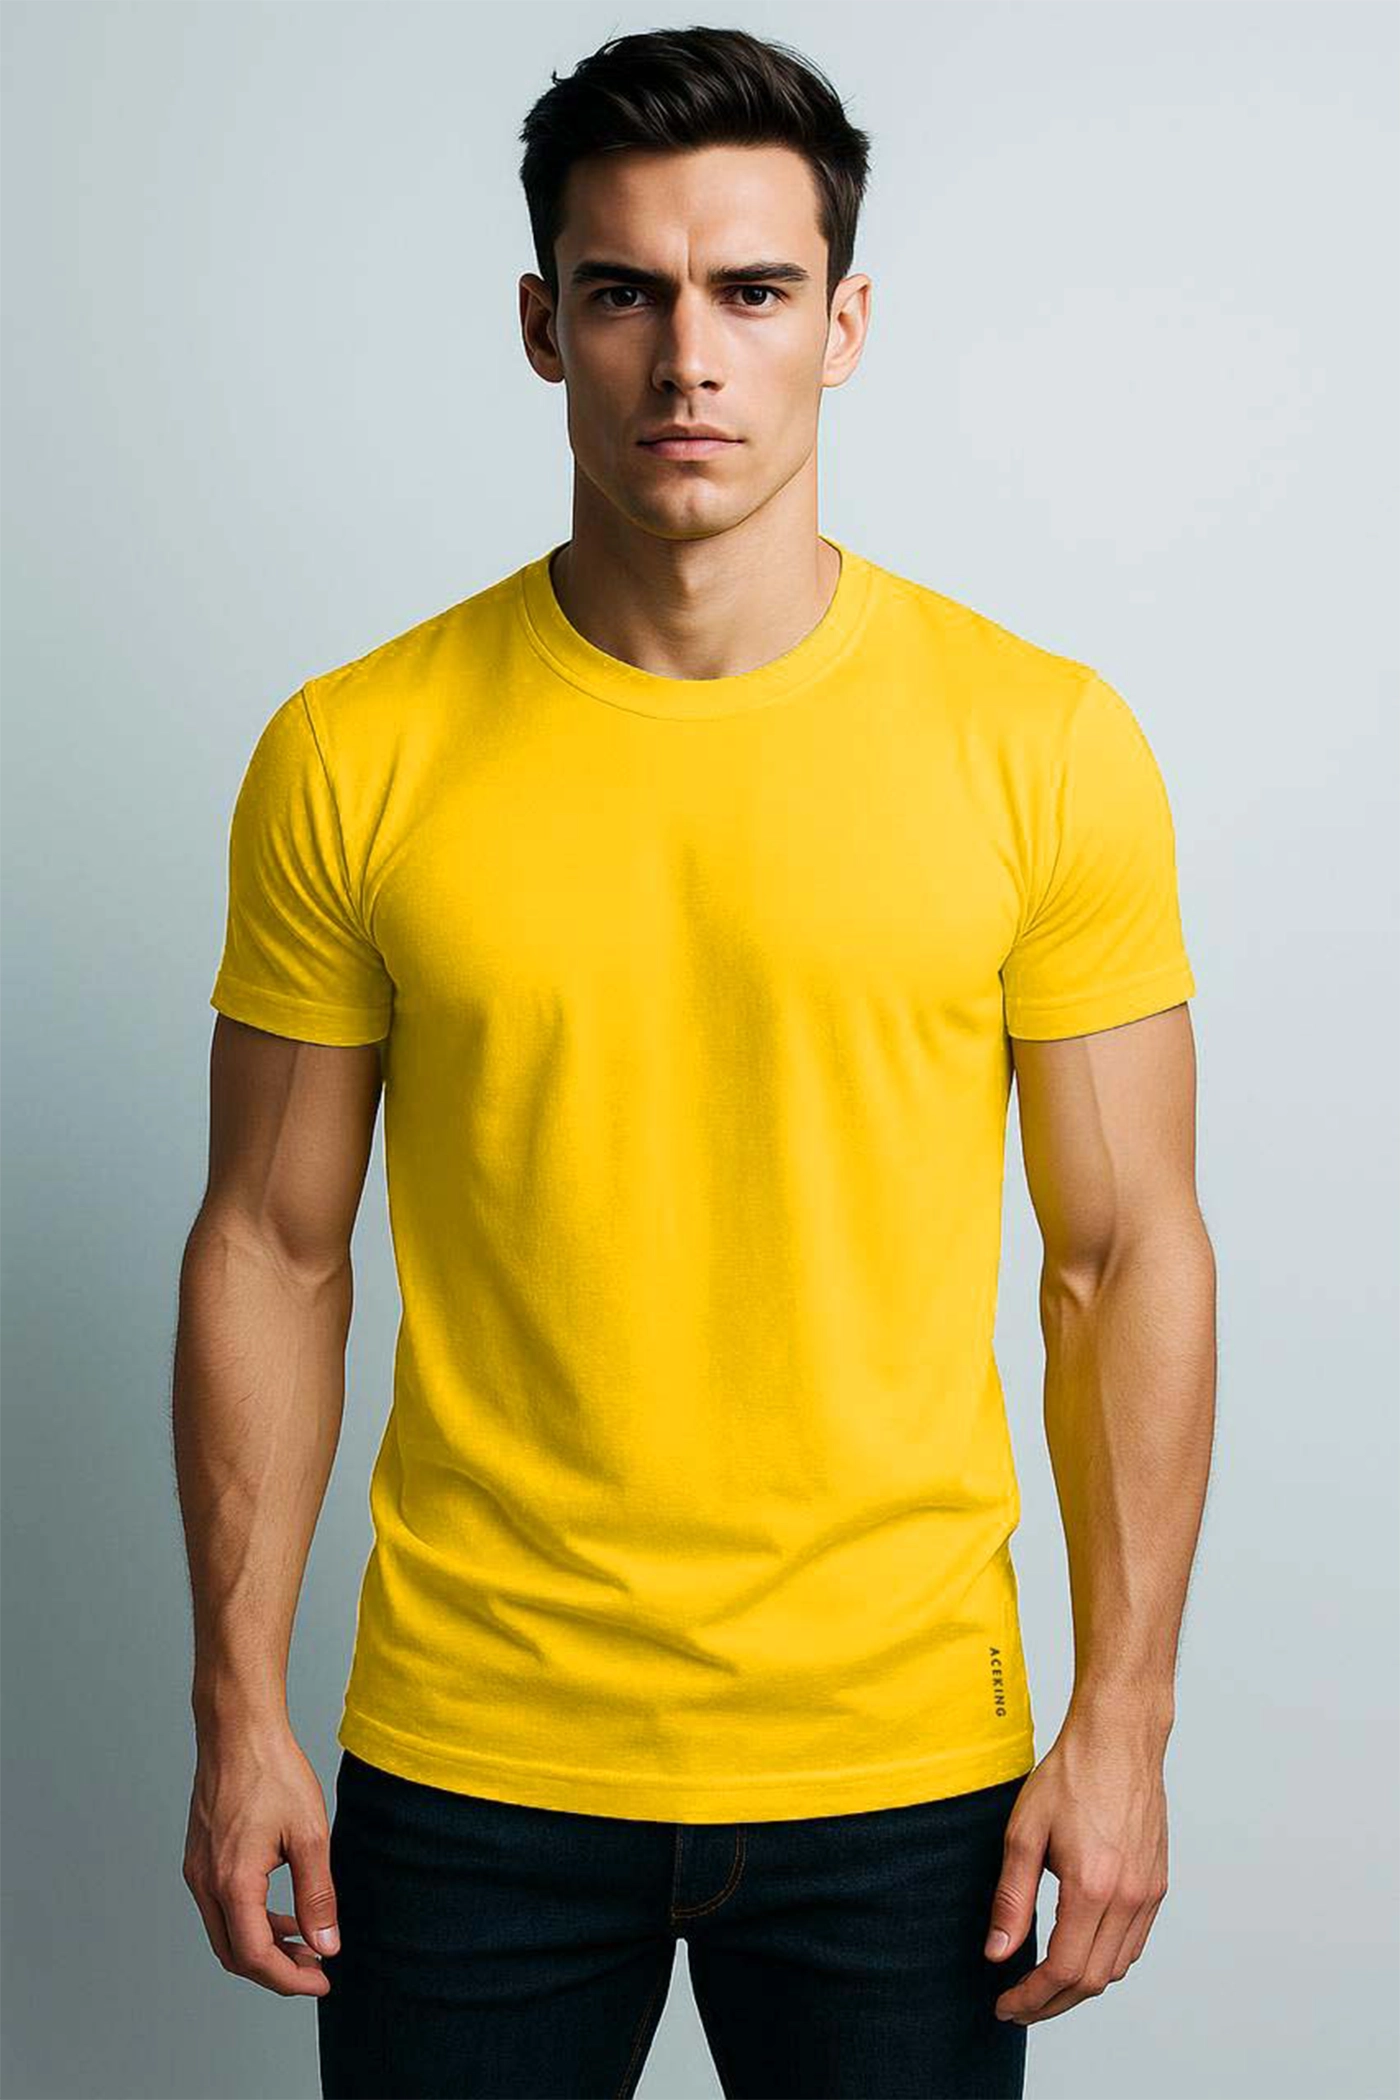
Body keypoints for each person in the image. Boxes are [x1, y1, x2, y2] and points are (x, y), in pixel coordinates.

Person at [172, 24, 1217, 2100]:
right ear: (541, 327)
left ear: (844, 324)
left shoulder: (1041, 746)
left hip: (901, 1770)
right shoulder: (355, 750)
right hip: (471, 1755)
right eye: (624, 293)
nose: (688, 360)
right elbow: (271, 1246)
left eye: (750, 292)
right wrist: (236, 1707)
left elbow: (1123, 1257)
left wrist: (1124, 1724)